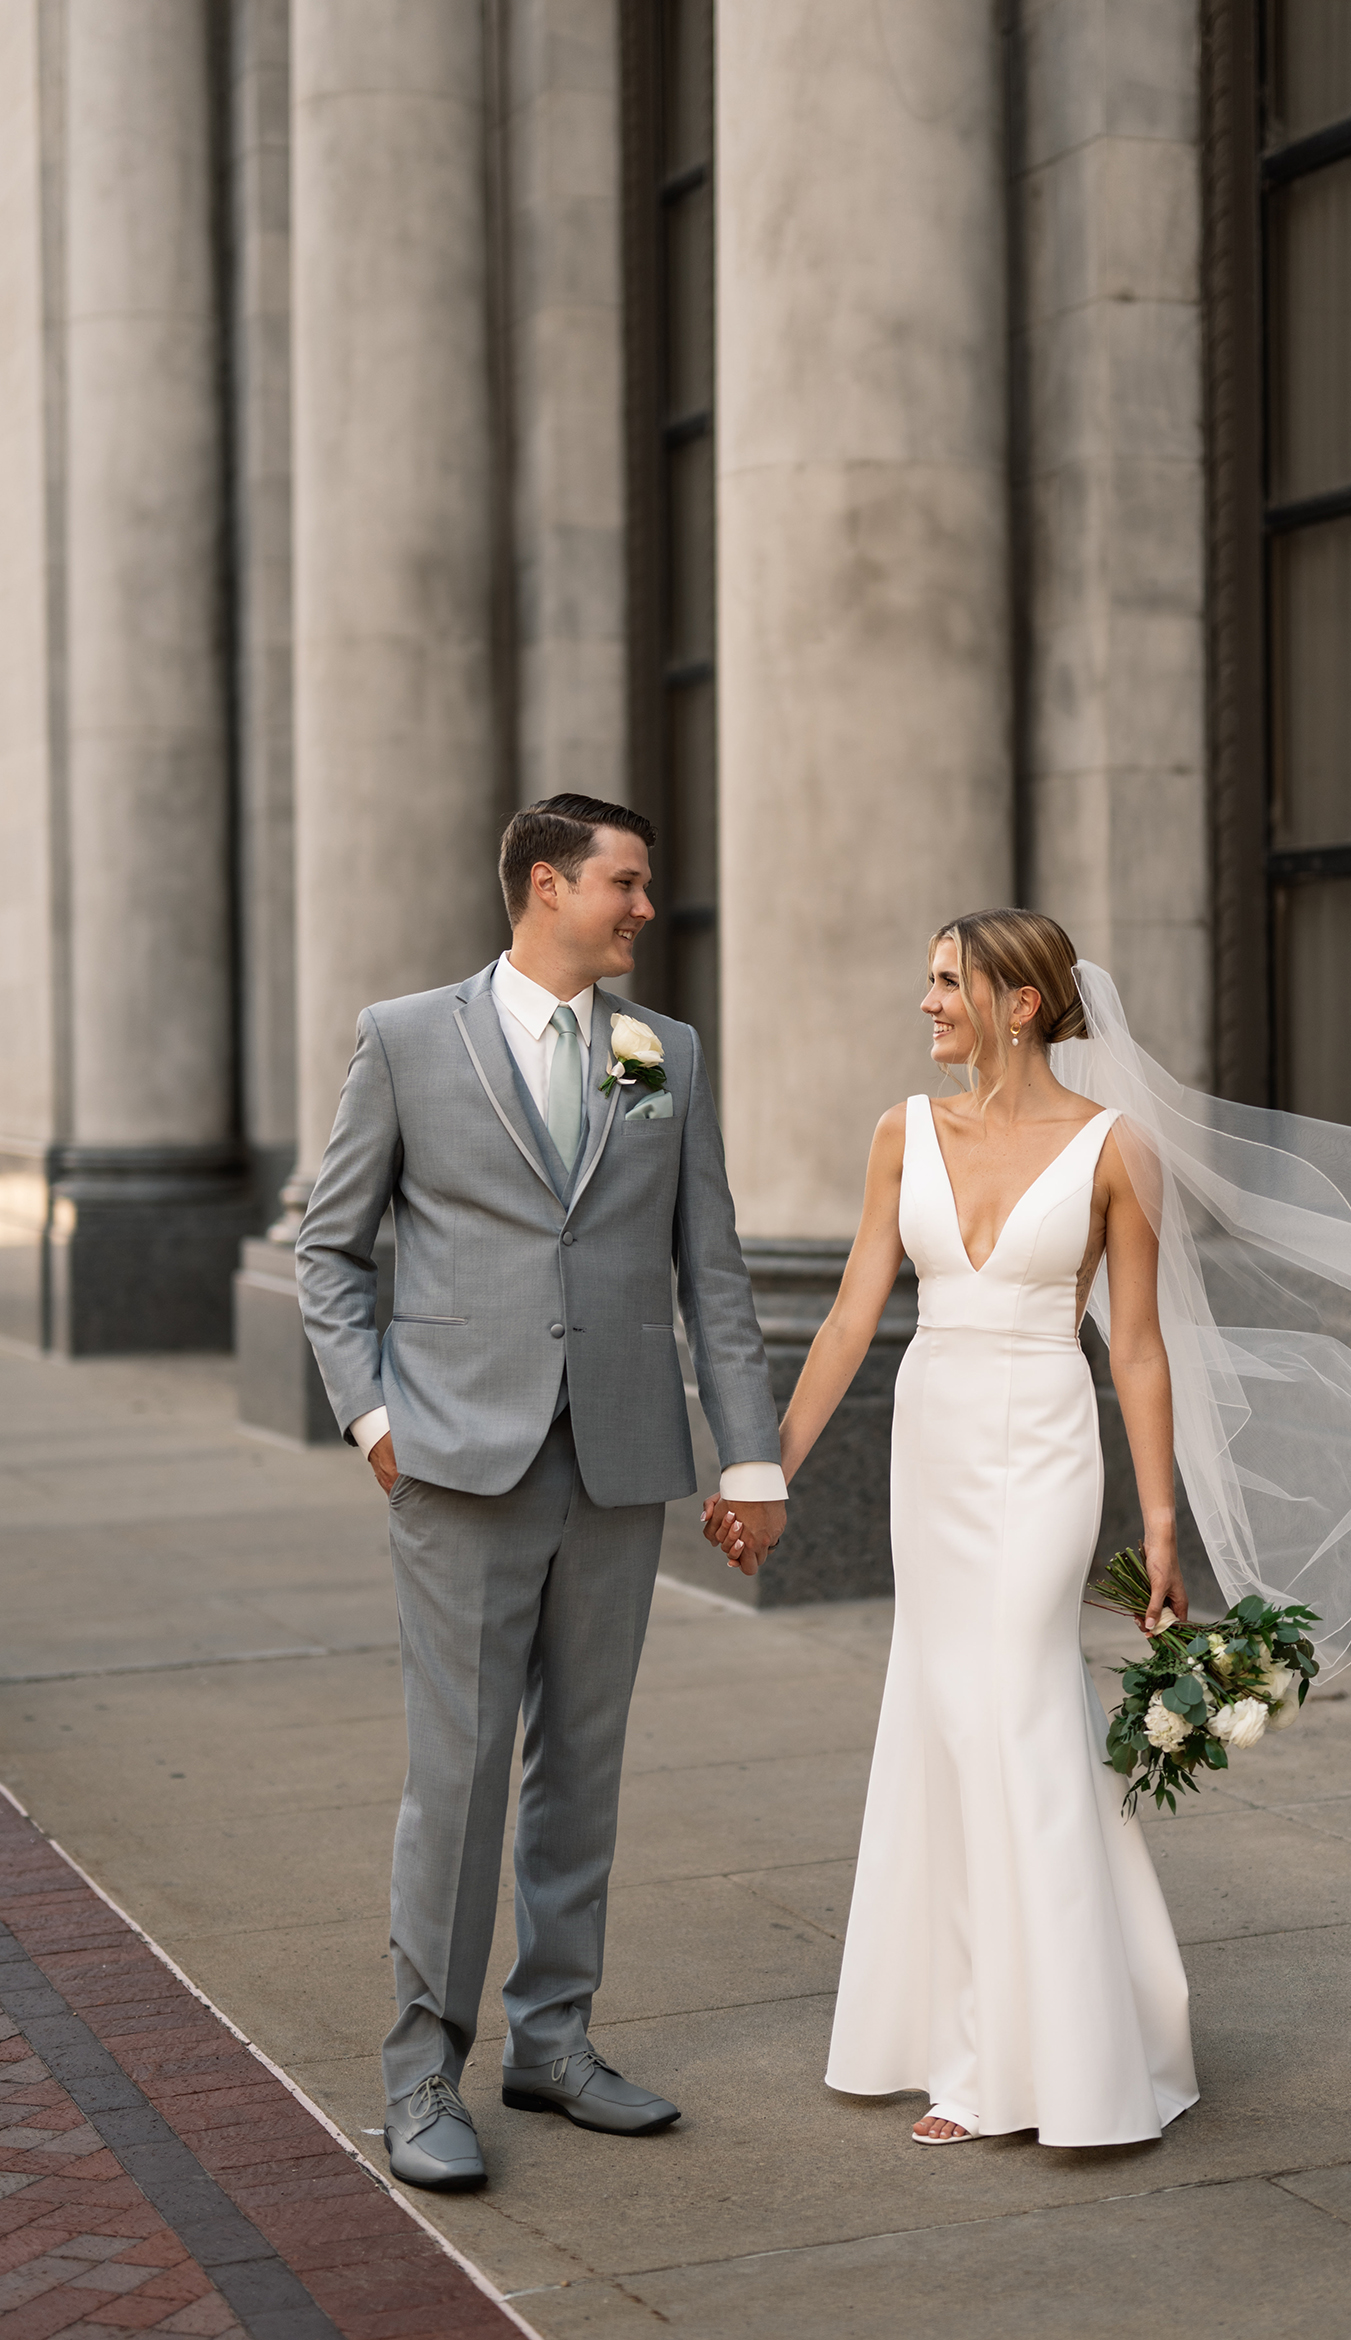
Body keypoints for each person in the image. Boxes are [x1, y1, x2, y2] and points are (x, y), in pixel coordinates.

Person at [297, 793, 789, 2193]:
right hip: (455, 1461)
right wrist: (374, 1416)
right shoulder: (404, 1038)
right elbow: (331, 1253)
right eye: (624, 884)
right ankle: (416, 2079)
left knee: (583, 1769)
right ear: (543, 886)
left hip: (621, 1460)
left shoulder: (663, 1053)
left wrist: (745, 1458)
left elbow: (713, 1271)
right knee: (452, 1784)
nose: (645, 907)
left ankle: (553, 2042)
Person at [708, 908, 1199, 2147]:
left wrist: (1158, 1524)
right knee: (944, 1707)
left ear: (1017, 1001)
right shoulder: (899, 1132)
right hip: (931, 1447)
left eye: (944, 982)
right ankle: (995, 2032)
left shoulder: (1113, 1150)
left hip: (1042, 1442)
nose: (925, 1003)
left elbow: (1134, 1349)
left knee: (1016, 1704)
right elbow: (844, 1320)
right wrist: (767, 1465)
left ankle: (1024, 2063)